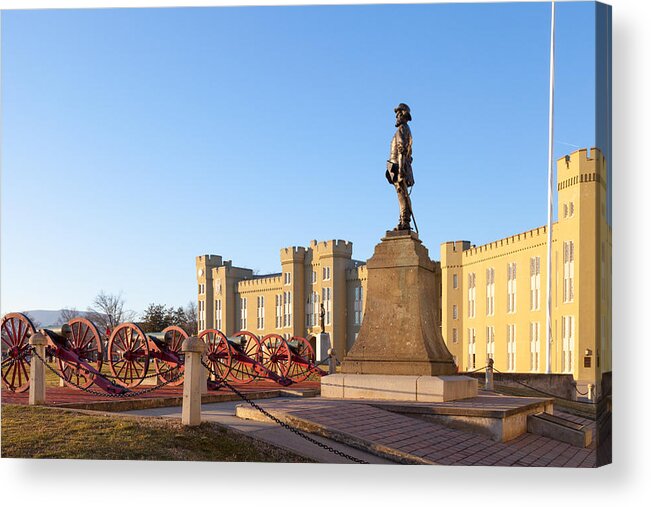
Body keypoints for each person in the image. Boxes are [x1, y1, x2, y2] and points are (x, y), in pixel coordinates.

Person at [385, 103, 415, 231]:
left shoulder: (402, 129)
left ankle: (404, 222)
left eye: (398, 114)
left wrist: (401, 170)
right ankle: (404, 221)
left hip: (399, 168)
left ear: (403, 115)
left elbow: (402, 150)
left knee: (402, 196)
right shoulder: (406, 129)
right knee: (403, 196)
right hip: (399, 167)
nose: (396, 116)